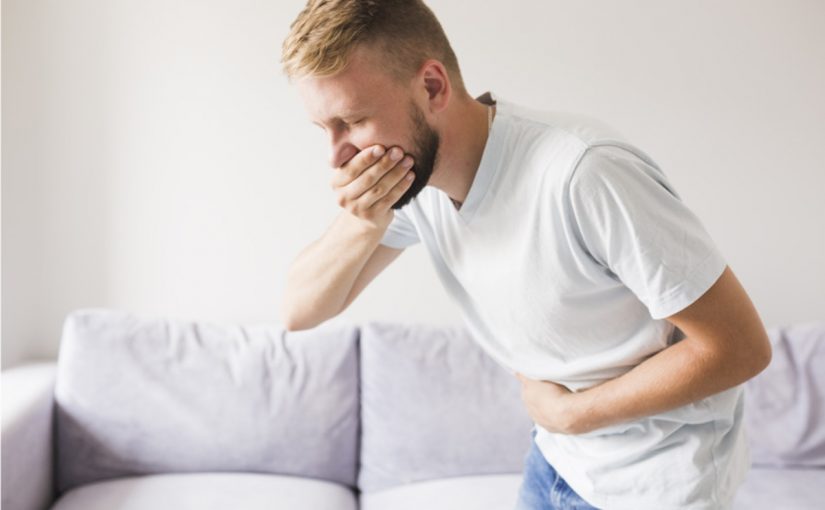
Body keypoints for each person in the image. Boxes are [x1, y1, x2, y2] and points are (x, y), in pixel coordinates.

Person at [278, 1, 773, 509]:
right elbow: (300, 311)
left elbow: (740, 348)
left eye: (353, 120)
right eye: (323, 128)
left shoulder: (584, 173)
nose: (336, 156)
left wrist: (571, 415)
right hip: (556, 460)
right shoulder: (414, 181)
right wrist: (362, 222)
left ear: (432, 87)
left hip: (657, 483)